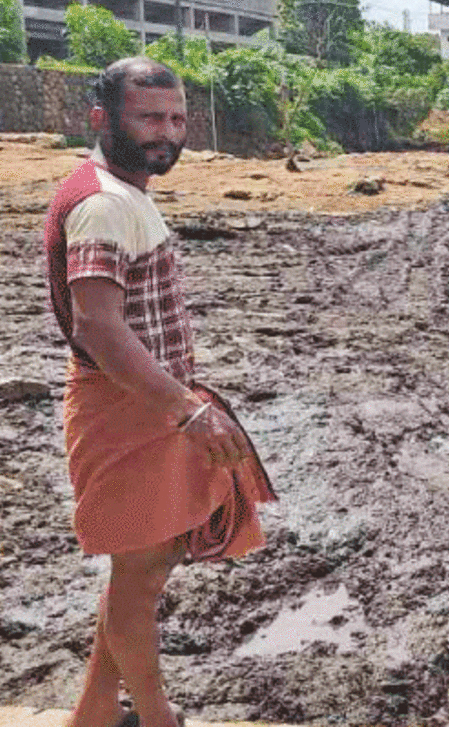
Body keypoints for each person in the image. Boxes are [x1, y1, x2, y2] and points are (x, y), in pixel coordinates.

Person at [45, 57, 275, 727]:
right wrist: (186, 408)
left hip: (142, 402)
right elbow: (98, 324)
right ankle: (155, 717)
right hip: (130, 408)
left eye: (176, 118)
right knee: (142, 574)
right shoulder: (104, 205)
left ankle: (93, 713)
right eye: (149, 117)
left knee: (140, 570)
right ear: (102, 119)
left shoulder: (118, 190)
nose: (167, 132)